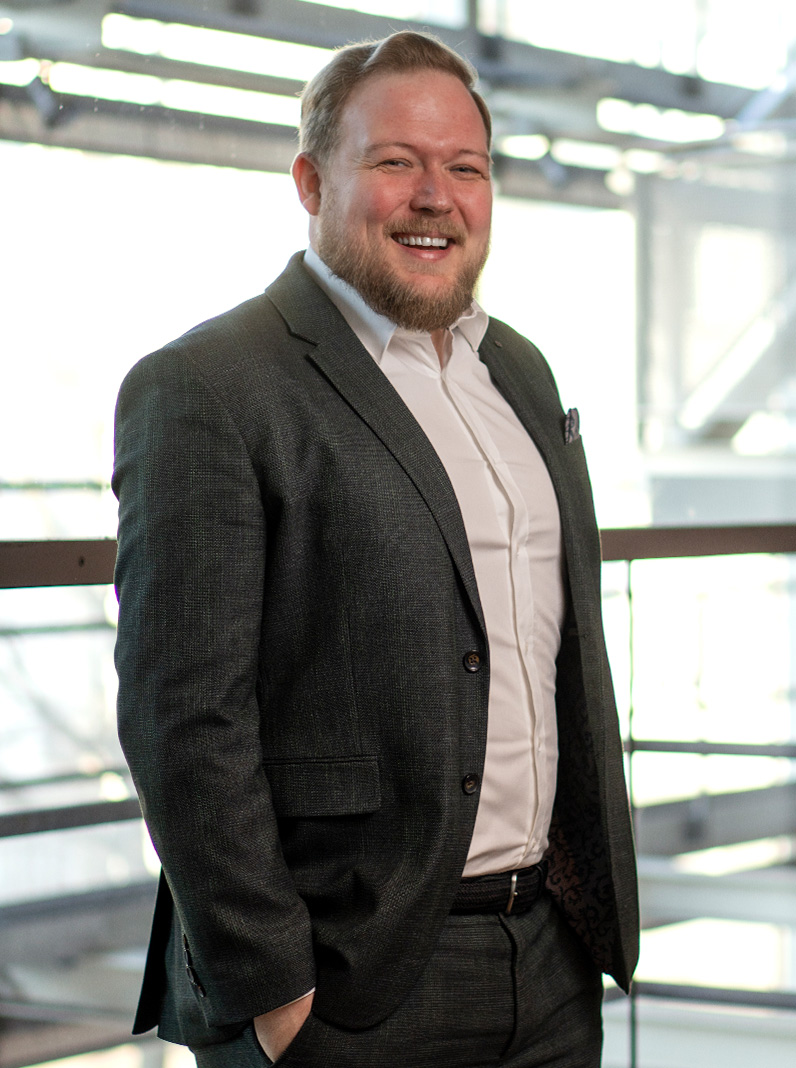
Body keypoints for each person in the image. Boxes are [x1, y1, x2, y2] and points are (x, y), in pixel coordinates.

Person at [113, 30, 638, 1068]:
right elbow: (183, 717)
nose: (436, 197)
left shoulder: (518, 371)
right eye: (396, 161)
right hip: (348, 980)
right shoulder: (211, 384)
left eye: (466, 168)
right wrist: (276, 992)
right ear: (313, 182)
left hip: (549, 958)